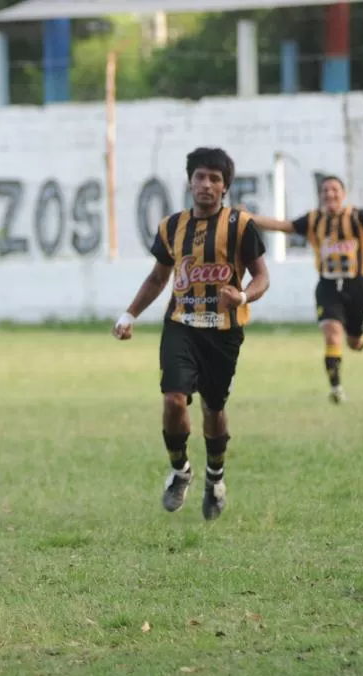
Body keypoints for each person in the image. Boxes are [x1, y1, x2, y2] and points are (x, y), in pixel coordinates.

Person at [113, 147, 270, 520]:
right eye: (200, 176)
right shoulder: (171, 227)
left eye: (215, 179)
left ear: (225, 187)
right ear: (189, 180)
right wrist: (129, 314)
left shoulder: (240, 226)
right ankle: (180, 470)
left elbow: (262, 275)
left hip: (223, 332)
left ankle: (215, 476)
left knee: (214, 408)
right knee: (173, 399)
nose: (206, 184)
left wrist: (244, 295)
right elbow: (158, 277)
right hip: (181, 324)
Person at [247, 176, 363, 403]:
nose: (330, 194)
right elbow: (283, 225)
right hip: (328, 285)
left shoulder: (358, 217)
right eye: (325, 190)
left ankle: (358, 335)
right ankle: (336, 388)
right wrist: (248, 219)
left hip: (357, 285)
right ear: (321, 196)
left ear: (343, 193)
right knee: (332, 332)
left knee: (355, 343)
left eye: (334, 190)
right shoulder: (313, 220)